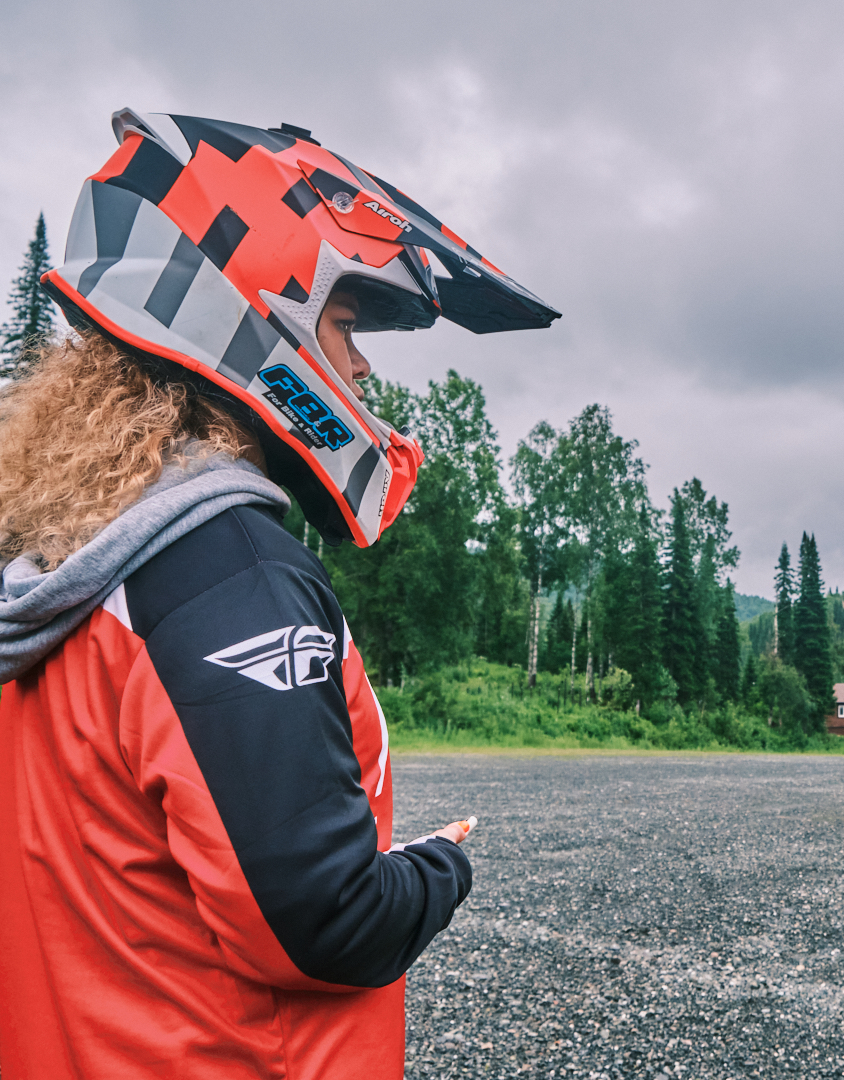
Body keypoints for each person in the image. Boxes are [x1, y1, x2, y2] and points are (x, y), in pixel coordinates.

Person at [0, 110, 560, 1079]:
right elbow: (322, 924)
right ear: (259, 315)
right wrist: (442, 864)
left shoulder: (65, 565)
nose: (362, 364)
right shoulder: (227, 573)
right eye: (345, 325)